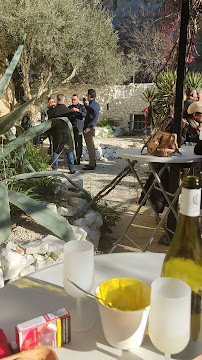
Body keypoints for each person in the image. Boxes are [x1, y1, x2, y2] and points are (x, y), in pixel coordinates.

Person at [47, 94, 76, 174]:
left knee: (56, 151)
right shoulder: (68, 111)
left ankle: (54, 169)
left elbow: (49, 123)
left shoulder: (52, 111)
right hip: (66, 135)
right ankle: (72, 169)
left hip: (56, 135)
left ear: (57, 100)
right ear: (64, 101)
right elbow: (74, 123)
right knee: (69, 151)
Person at [83, 89, 100, 170]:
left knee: (90, 146)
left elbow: (89, 117)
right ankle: (92, 162)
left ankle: (92, 164)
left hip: (89, 128)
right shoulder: (96, 105)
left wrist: (85, 128)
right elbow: (90, 110)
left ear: (89, 96)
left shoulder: (91, 106)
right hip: (93, 127)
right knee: (91, 146)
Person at [68, 94, 86, 165]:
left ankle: (78, 158)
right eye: (72, 99)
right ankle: (73, 158)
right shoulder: (69, 107)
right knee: (73, 143)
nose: (73, 101)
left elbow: (85, 114)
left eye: (74, 99)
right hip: (72, 128)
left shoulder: (81, 107)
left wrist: (78, 111)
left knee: (79, 144)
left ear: (78, 100)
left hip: (79, 128)